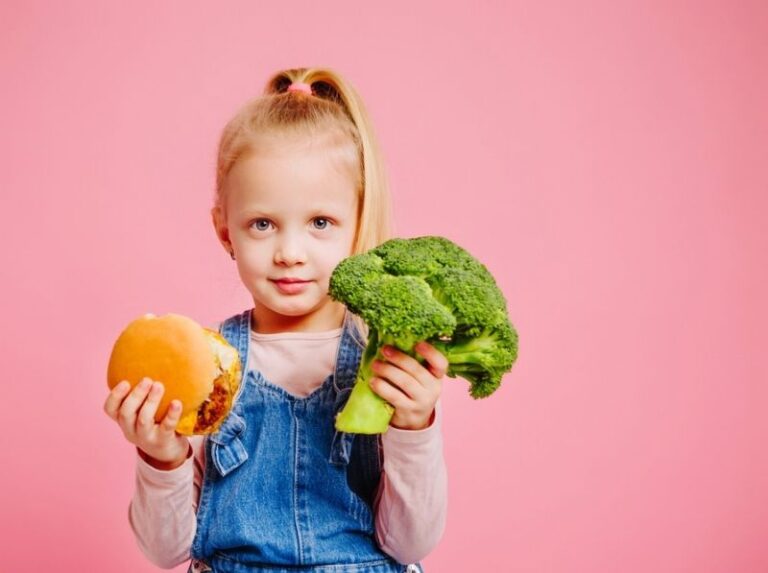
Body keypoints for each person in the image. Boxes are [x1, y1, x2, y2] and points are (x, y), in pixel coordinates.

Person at [103, 67, 448, 573]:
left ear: (357, 225)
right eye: (262, 224)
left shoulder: (387, 363)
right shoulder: (206, 368)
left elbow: (409, 545)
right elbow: (166, 551)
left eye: (320, 223)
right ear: (225, 232)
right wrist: (161, 457)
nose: (290, 252)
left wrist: (414, 427)